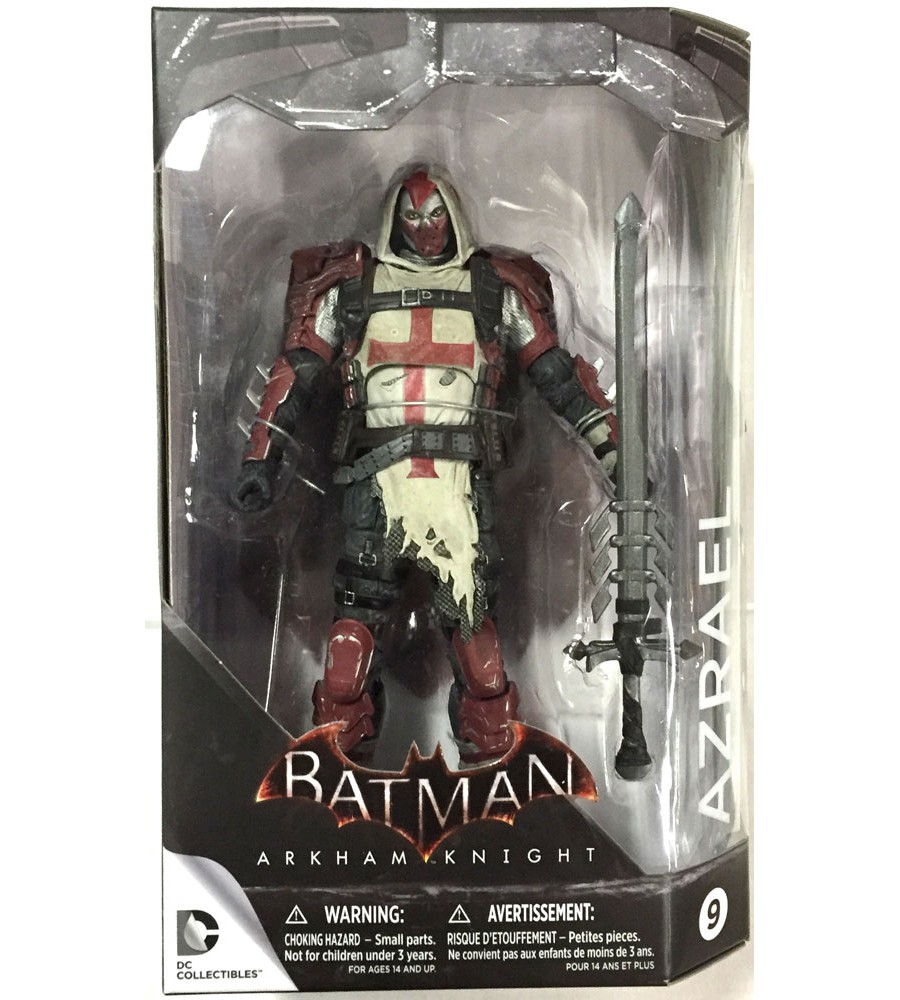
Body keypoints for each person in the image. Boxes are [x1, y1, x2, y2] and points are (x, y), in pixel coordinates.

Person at [232, 168, 617, 763]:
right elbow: (298, 373)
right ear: (394, 220)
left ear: (453, 216)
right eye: (412, 218)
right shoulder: (351, 291)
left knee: (478, 647)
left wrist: (615, 453)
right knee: (349, 647)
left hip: (458, 487)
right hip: (375, 485)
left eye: (435, 216)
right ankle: (336, 767)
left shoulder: (492, 291)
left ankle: (491, 764)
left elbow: (557, 377)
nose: (425, 229)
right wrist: (260, 459)